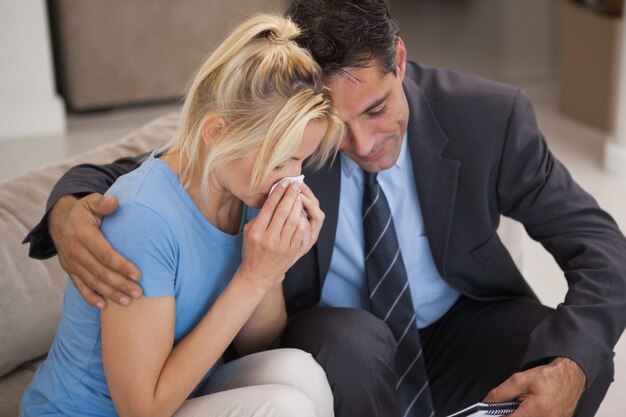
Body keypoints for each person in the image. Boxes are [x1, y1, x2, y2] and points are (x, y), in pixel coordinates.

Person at [23, 1, 626, 416]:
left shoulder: (488, 116)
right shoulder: (284, 142)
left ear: (400, 58)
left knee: (575, 355)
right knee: (352, 342)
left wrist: (571, 362)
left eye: (378, 109)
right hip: (341, 342)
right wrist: (68, 206)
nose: (362, 146)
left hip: (456, 327)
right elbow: (163, 165)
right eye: (340, 124)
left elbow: (600, 244)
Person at [20, 13, 344, 417]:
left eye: (301, 161)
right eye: (281, 161)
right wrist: (251, 278)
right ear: (216, 134)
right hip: (97, 412)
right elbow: (141, 408)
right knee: (284, 407)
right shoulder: (143, 218)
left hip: (186, 390)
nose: (292, 178)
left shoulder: (246, 191)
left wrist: (272, 266)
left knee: (300, 371)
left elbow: (256, 346)